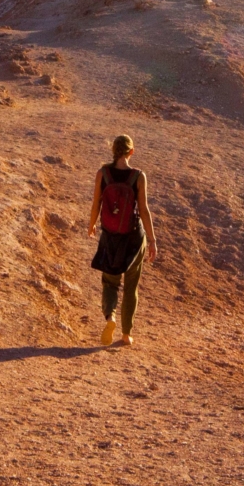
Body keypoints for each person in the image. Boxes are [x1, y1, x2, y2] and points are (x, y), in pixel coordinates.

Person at [88, 134, 157, 347]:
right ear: (131, 152)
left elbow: (96, 204)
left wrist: (91, 225)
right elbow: (143, 210)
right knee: (131, 286)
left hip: (110, 236)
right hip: (134, 237)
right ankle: (127, 334)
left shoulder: (103, 174)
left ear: (113, 150)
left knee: (110, 282)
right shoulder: (138, 176)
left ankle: (111, 317)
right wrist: (152, 240)